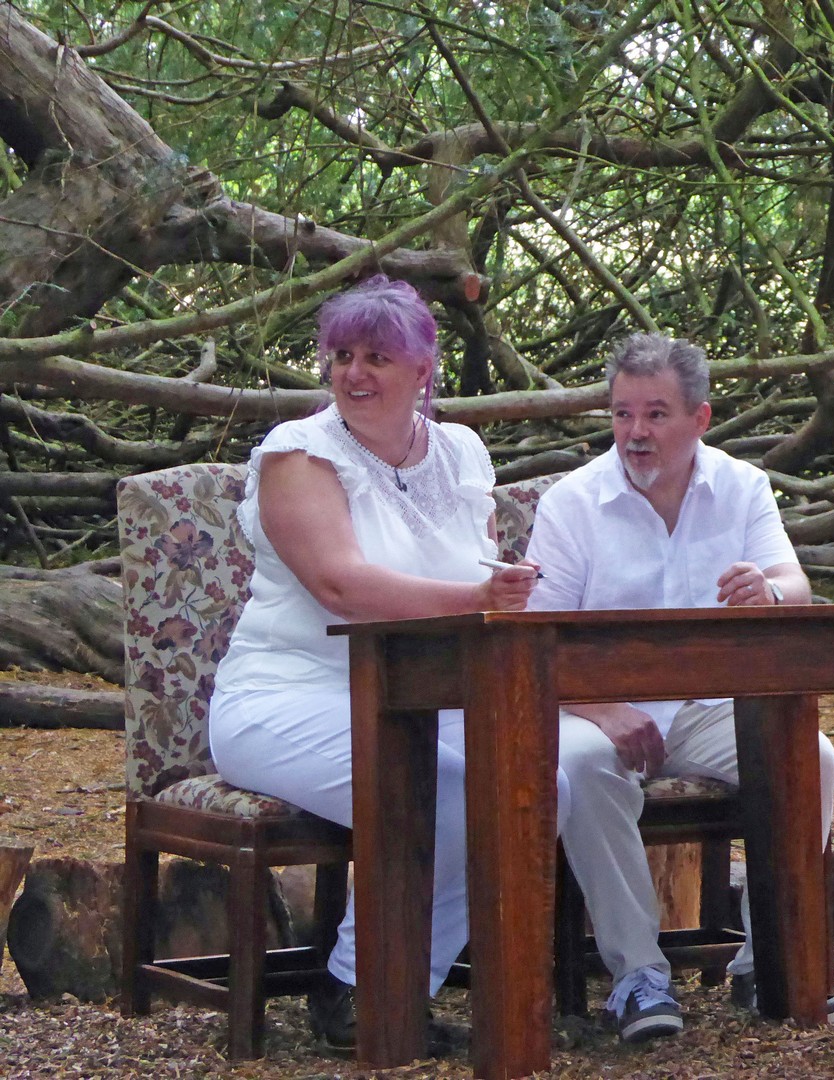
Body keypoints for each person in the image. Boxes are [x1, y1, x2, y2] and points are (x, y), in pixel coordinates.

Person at [208, 275, 556, 1056]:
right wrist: (474, 599)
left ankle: (415, 984)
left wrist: (505, 588)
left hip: (423, 699)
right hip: (286, 700)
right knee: (441, 790)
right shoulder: (298, 454)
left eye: (376, 357)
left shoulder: (461, 450)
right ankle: (360, 992)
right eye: (341, 356)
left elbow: (479, 567)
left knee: (543, 781)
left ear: (423, 369)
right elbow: (341, 586)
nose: (354, 373)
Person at [525, 332, 834, 1043]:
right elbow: (528, 644)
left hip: (708, 707)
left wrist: (768, 590)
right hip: (596, 711)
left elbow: (794, 582)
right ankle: (638, 976)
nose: (635, 433)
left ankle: (770, 960)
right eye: (622, 414)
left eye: (656, 414)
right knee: (579, 764)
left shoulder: (742, 486)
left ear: (700, 418)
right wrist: (602, 710)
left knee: (813, 757)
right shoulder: (572, 503)